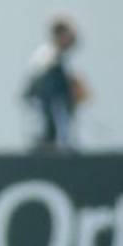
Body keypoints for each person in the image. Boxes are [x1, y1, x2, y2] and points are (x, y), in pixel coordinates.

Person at [23, 16, 88, 152]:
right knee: (50, 123)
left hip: (51, 100)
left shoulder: (55, 56)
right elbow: (41, 82)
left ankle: (53, 141)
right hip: (46, 98)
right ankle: (49, 141)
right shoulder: (48, 56)